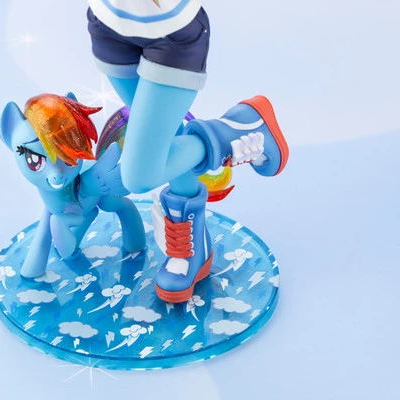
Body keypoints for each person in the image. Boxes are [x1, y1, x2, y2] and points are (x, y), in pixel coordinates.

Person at [87, 0, 289, 303]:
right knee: (163, 135)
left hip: (170, 32)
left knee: (139, 176)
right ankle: (193, 245)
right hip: (108, 24)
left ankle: (233, 131)